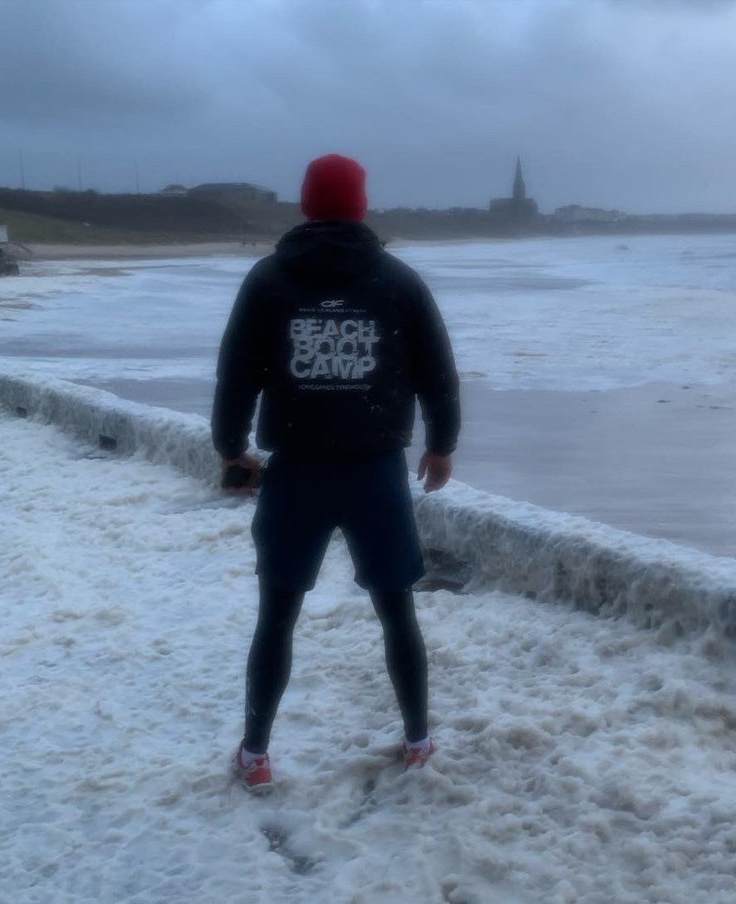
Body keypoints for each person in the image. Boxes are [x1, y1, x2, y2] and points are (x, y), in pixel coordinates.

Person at [212, 153, 461, 792]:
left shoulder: (269, 280)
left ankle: (255, 754)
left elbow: (237, 371)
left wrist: (231, 446)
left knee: (277, 615)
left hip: (296, 473)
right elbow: (437, 369)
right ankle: (417, 741)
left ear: (306, 203)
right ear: (360, 205)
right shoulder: (398, 281)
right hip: (376, 474)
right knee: (397, 612)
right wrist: (441, 445)